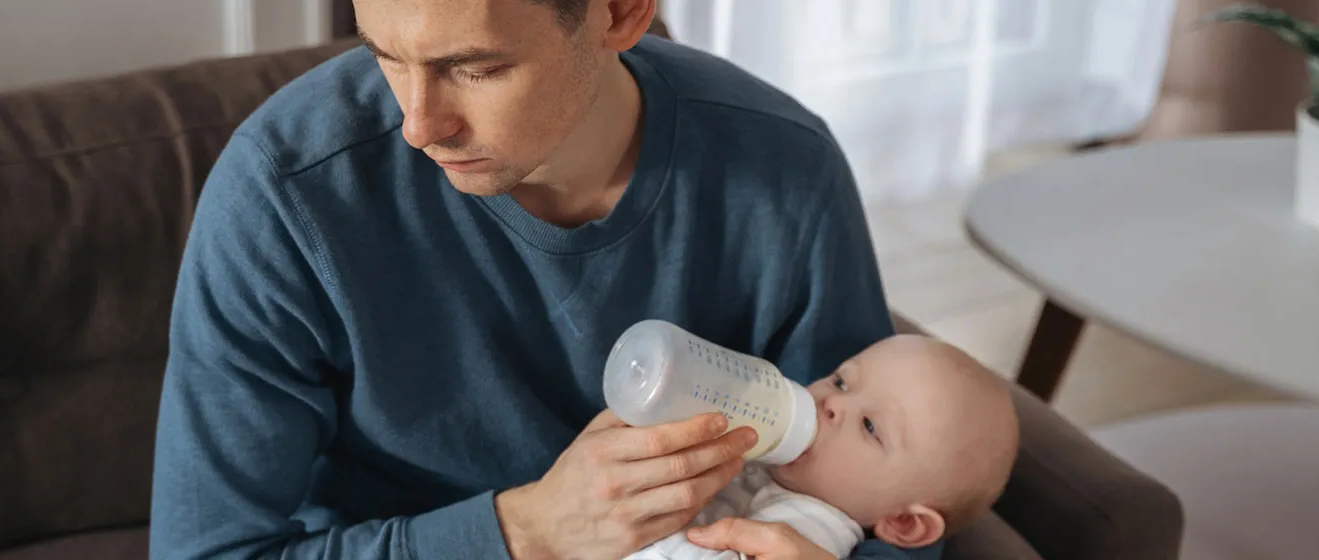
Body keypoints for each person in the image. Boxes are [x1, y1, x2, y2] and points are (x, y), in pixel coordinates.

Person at [148, 0, 932, 557]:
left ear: (622, 12)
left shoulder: (784, 169)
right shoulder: (285, 198)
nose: (419, 124)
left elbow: (890, 475)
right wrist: (527, 533)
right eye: (385, 54)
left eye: (476, 68)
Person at [629, 335, 1021, 559]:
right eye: (841, 381)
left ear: (902, 522)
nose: (831, 405)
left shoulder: (813, 530)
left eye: (869, 426)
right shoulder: (759, 454)